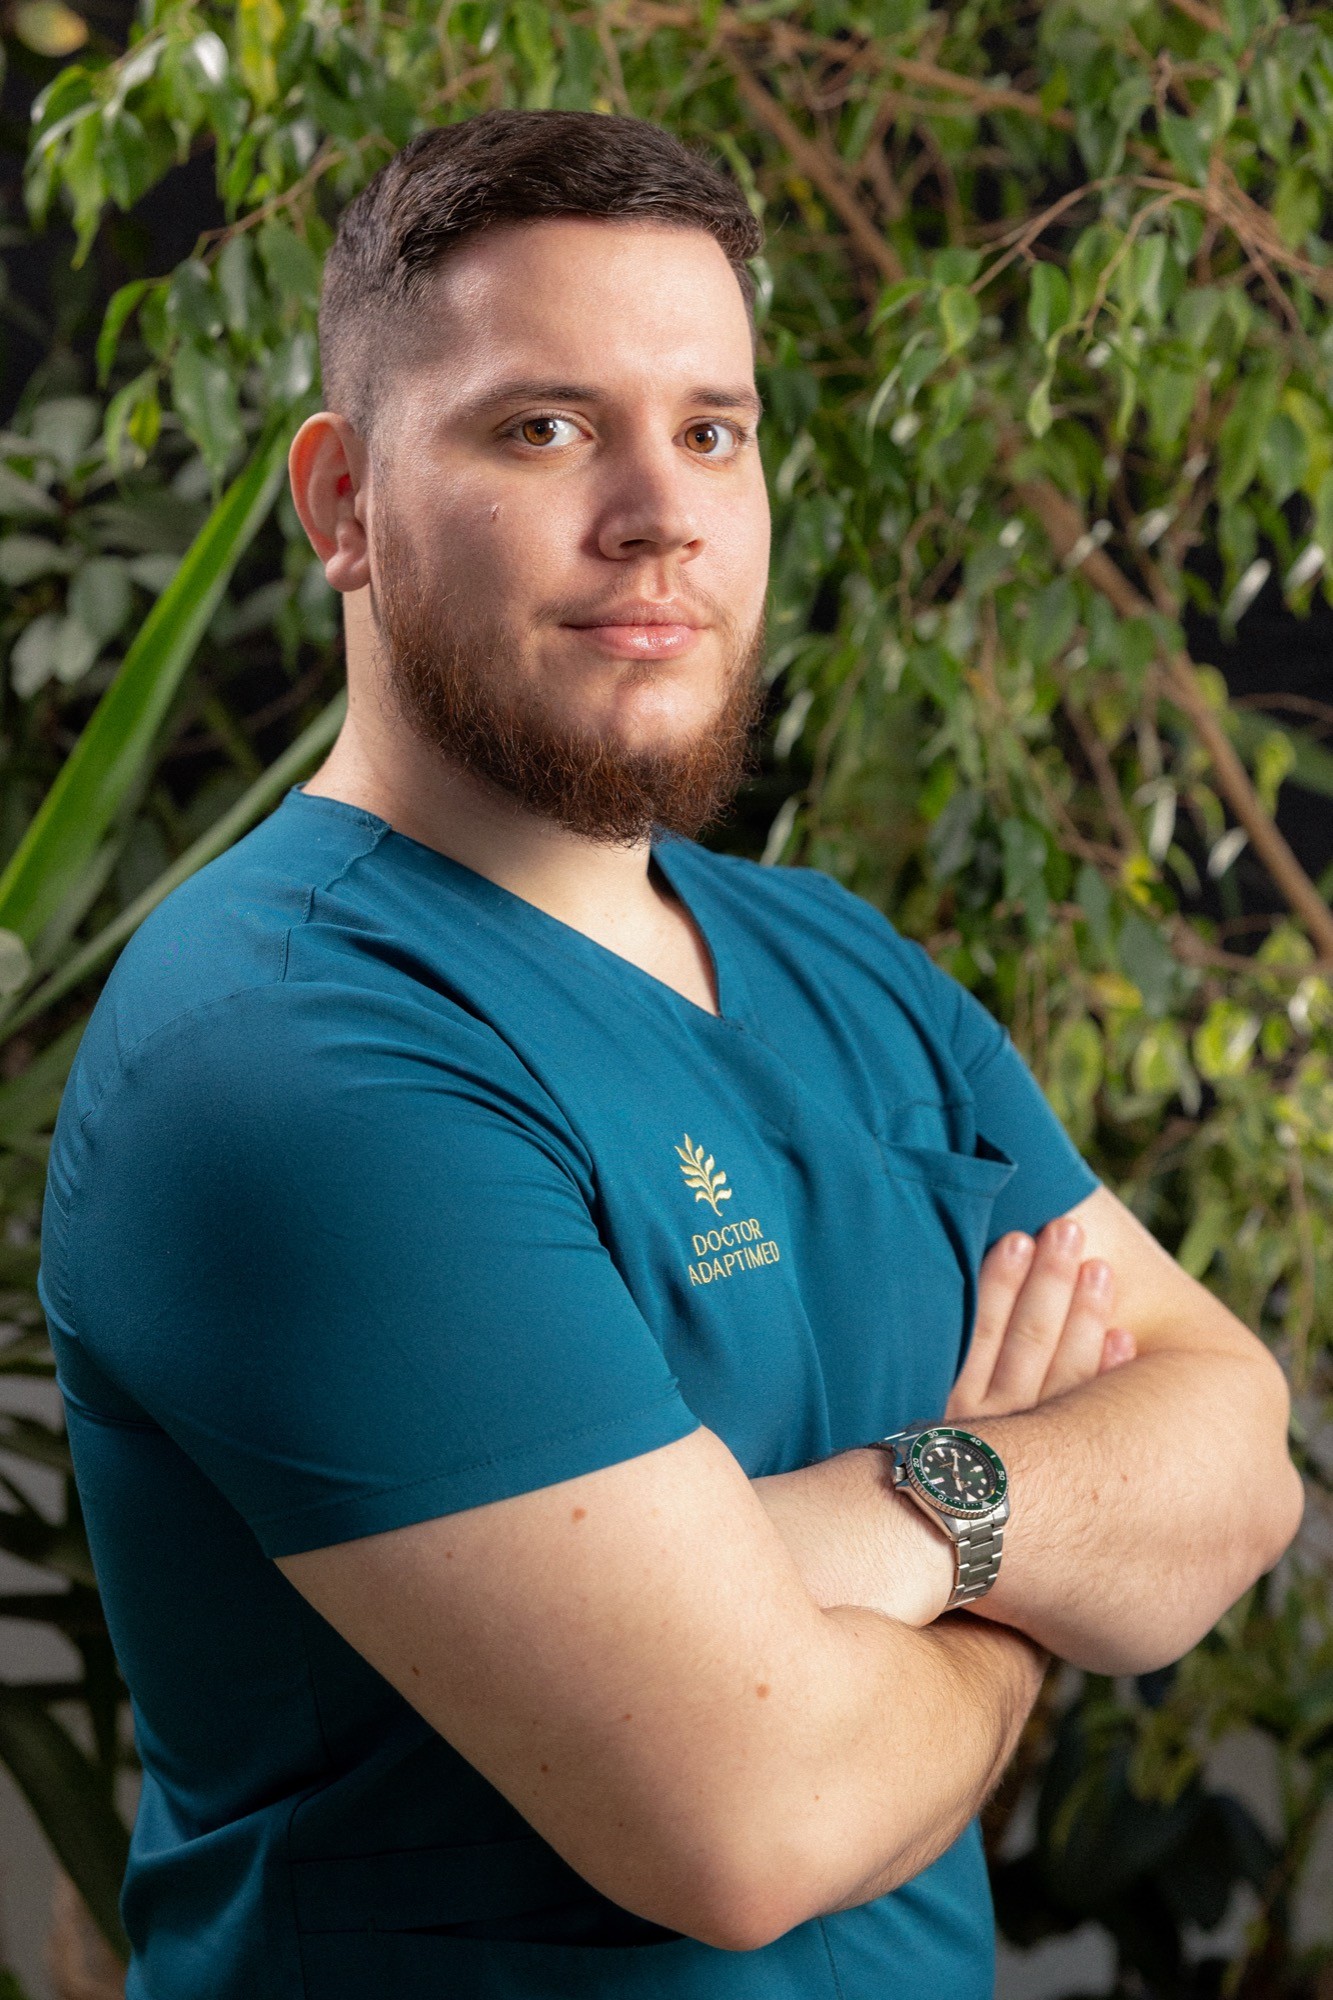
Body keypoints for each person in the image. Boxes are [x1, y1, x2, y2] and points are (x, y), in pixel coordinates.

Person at [38, 109, 1302, 2000]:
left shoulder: (834, 963)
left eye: (710, 428)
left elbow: (1237, 1455)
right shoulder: (282, 1052)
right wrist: (1020, 1575)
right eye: (542, 427)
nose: (660, 509)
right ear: (340, 506)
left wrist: (871, 1536)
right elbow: (751, 1818)